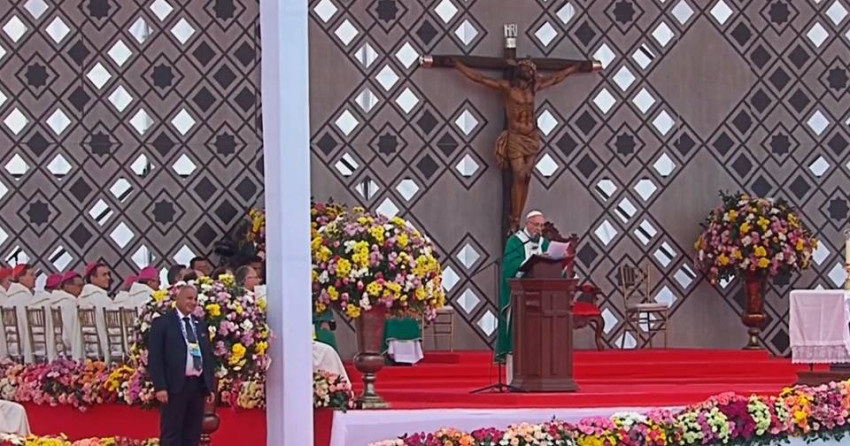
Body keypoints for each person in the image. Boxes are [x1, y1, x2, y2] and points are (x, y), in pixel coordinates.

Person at [449, 58, 599, 232]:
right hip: (516, 137)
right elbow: (480, 78)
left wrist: (574, 68)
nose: (526, 70)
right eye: (524, 67)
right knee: (519, 175)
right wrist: (458, 65)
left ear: (532, 75)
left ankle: (517, 216)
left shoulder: (534, 89)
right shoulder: (508, 88)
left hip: (532, 137)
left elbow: (556, 78)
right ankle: (515, 218)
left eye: (529, 69)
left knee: (526, 177)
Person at [148, 283, 214, 446]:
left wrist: (209, 386)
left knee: (192, 434)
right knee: (171, 433)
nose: (193, 302)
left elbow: (207, 356)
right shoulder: (162, 323)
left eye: (195, 299)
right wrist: (160, 386)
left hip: (196, 386)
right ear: (178, 299)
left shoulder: (199, 325)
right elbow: (155, 357)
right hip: (174, 387)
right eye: (189, 298)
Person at [495, 210, 551, 374]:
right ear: (527, 224)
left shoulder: (545, 243)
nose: (539, 229)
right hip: (519, 293)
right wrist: (528, 262)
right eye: (536, 225)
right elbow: (509, 267)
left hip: (542, 294)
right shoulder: (515, 242)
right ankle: (515, 366)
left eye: (541, 226)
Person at [75, 262, 114, 361]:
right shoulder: (102, 299)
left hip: (86, 348)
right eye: (104, 275)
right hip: (103, 349)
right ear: (92, 278)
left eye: (108, 274)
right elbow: (112, 327)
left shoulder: (80, 299)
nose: (108, 278)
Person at [6, 264, 36, 362]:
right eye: (31, 275)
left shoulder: (9, 297)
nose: (35, 277)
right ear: (21, 278)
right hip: (25, 347)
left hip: (11, 345)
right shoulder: (25, 298)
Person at [52, 271, 82, 358]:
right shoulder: (69, 302)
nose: (81, 289)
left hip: (55, 346)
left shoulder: (53, 299)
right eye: (79, 286)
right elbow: (70, 330)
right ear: (67, 286)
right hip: (68, 348)